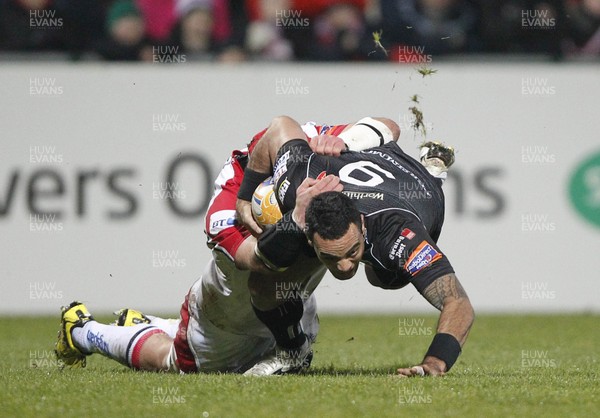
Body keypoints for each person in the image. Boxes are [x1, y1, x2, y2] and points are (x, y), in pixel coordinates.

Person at [54, 116, 400, 374]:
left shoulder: (306, 147)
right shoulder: (225, 209)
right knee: (175, 363)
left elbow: (388, 127)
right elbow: (261, 266)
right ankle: (84, 331)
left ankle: (143, 322)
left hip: (292, 303)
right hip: (228, 316)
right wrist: (293, 221)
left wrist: (347, 143)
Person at [236, 115, 473, 377]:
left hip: (416, 192)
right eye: (330, 257)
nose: (346, 267)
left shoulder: (400, 236)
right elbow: (279, 125)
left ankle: (432, 172)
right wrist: (243, 199)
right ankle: (293, 353)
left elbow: (458, 303)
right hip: (361, 181)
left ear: (360, 225)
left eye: (351, 252)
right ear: (308, 231)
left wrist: (434, 364)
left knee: (383, 278)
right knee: (262, 286)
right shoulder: (298, 181)